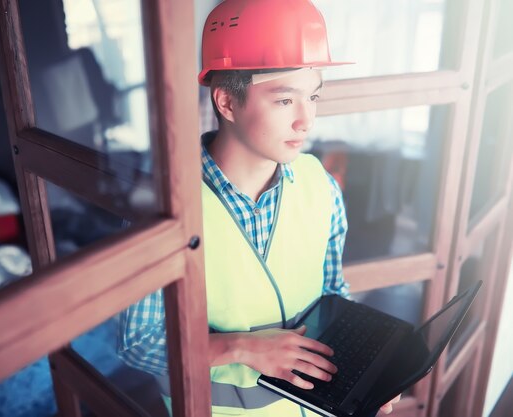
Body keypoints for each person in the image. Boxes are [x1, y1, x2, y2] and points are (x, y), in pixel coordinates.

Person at [118, 0, 400, 415]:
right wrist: (239, 348)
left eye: (313, 96)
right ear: (227, 103)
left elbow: (332, 294)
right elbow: (137, 345)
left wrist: (364, 379)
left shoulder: (319, 184)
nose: (306, 121)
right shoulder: (162, 211)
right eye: (285, 100)